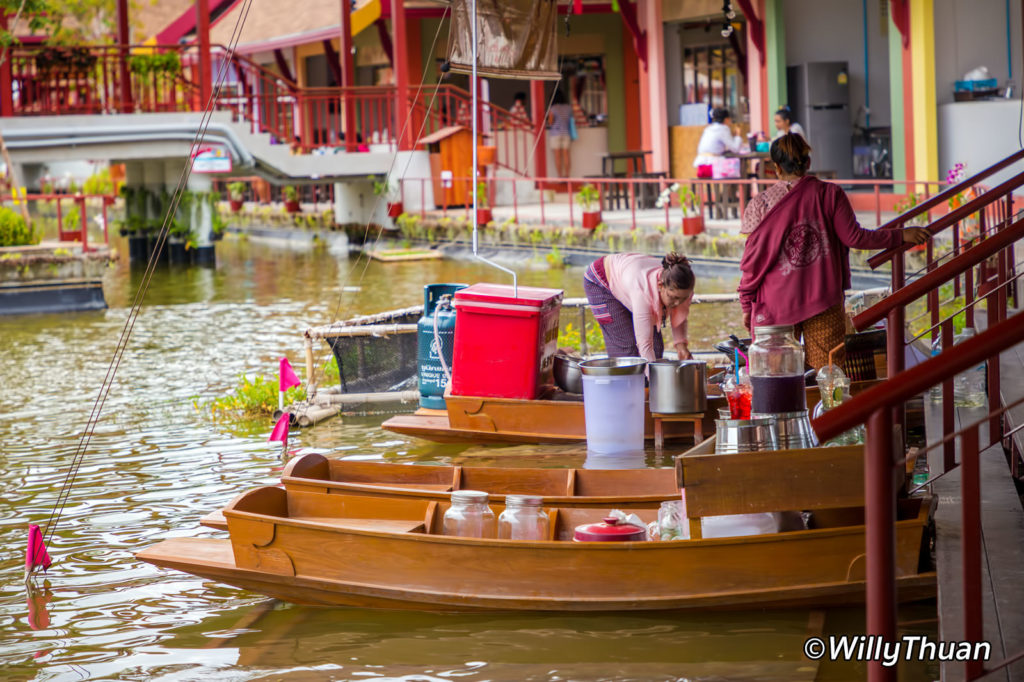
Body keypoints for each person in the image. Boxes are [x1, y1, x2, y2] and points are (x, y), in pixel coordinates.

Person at [737, 134, 930, 369]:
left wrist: (747, 304)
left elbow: (751, 262)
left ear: (775, 168)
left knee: (777, 381)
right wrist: (901, 235)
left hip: (776, 306)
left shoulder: (760, 205)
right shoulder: (830, 195)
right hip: (822, 301)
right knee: (828, 377)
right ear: (807, 163)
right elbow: (856, 237)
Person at [583, 252, 695, 362]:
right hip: (601, 280)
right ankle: (631, 380)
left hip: (630, 276)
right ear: (660, 286)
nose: (677, 303)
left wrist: (681, 347)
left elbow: (679, 315)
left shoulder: (683, 284)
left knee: (656, 348)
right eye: (673, 298)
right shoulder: (642, 293)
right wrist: (652, 378)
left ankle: (645, 379)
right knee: (627, 350)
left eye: (683, 299)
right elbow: (644, 345)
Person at [693, 107, 743, 177]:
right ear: (726, 119)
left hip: (701, 167)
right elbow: (735, 148)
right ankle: (735, 188)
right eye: (729, 119)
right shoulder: (723, 129)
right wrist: (738, 135)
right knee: (735, 172)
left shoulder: (708, 129)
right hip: (711, 167)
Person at [548, 90, 574, 178]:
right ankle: (567, 175)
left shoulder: (553, 108)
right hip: (566, 133)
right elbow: (571, 119)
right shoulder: (568, 108)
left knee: (557, 156)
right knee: (566, 155)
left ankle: (559, 176)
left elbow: (550, 122)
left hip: (555, 133)